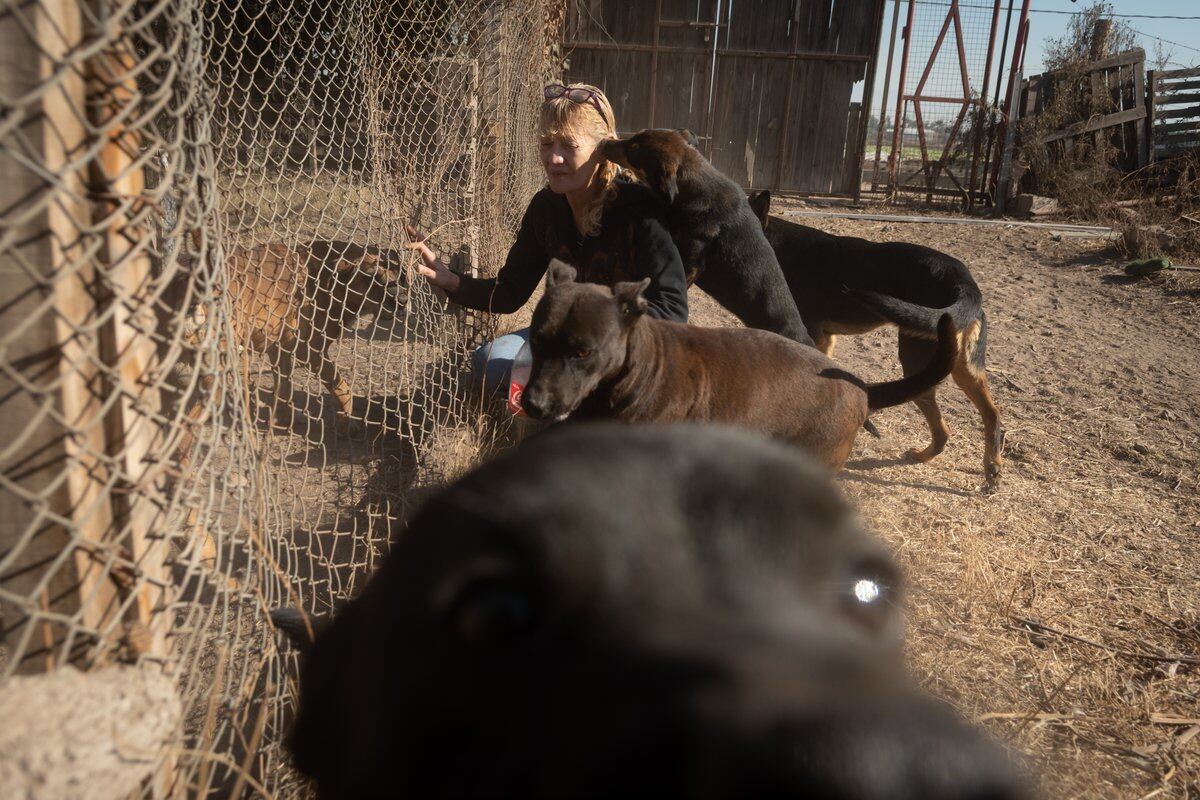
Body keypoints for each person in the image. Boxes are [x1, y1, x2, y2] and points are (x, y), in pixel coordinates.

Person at [406, 83, 688, 397]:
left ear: (603, 149)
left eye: (568, 144)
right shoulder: (546, 208)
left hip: (624, 350)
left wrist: (603, 336)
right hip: (561, 343)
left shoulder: (640, 211)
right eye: (546, 143)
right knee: (489, 363)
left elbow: (673, 310)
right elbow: (510, 293)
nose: (553, 157)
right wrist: (452, 282)